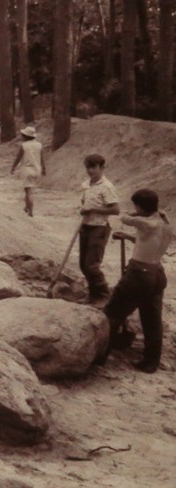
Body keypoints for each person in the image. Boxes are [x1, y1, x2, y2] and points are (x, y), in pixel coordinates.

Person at [102, 190, 171, 373]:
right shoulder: (165, 222)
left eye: (136, 206)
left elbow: (123, 217)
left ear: (140, 206)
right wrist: (129, 237)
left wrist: (135, 213)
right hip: (157, 273)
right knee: (152, 320)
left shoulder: (144, 222)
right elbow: (148, 242)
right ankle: (151, 363)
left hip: (139, 274)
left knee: (113, 312)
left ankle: (100, 355)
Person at [79, 154, 120, 302]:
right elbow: (85, 203)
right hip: (85, 226)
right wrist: (84, 210)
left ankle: (102, 296)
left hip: (100, 228)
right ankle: (92, 295)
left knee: (92, 266)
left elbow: (115, 210)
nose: (90, 171)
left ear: (102, 168)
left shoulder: (107, 187)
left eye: (93, 167)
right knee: (83, 265)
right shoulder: (85, 185)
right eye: (88, 167)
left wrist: (93, 210)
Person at [9, 126, 45, 217]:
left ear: (25, 136)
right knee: (29, 188)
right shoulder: (39, 145)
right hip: (37, 170)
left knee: (28, 191)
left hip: (27, 170)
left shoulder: (24, 146)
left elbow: (18, 158)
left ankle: (31, 211)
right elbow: (42, 158)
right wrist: (44, 169)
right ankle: (26, 207)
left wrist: (13, 167)